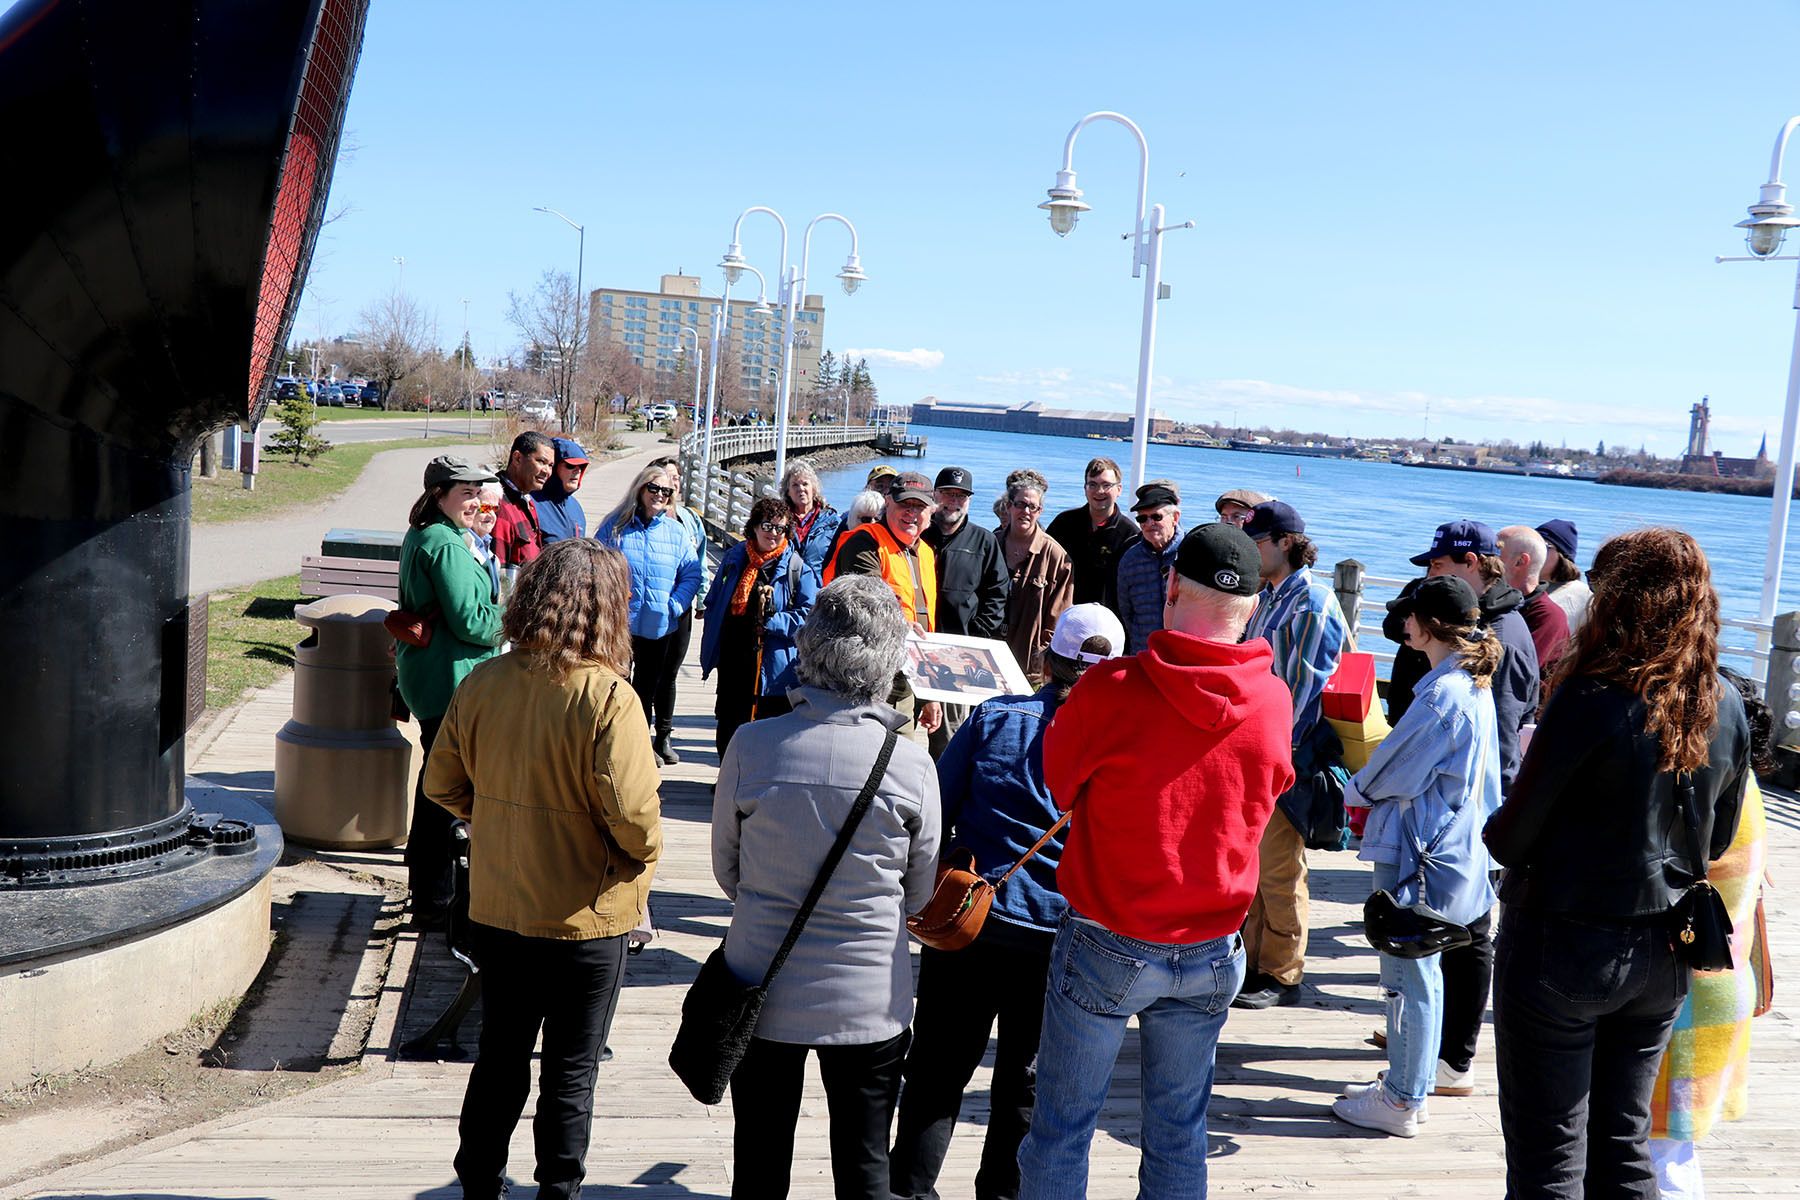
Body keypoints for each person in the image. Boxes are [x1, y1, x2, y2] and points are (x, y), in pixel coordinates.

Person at [1017, 524, 1295, 1200]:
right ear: (1253, 606)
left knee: (1061, 1132)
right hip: (1213, 947)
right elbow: (1269, 792)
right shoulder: (1274, 701)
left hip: (1108, 937)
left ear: (1170, 587)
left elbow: (1056, 783)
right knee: (1178, 1135)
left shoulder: (1110, 688)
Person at [1485, 528, 1750, 1199]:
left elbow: (1510, 840)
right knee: (1623, 1148)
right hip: (1665, 951)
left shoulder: (1592, 697)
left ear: (1616, 600)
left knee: (1550, 1161)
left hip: (1564, 943)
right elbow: (1716, 842)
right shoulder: (1724, 703)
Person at [424, 539, 662, 1200]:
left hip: (501, 907)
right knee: (571, 1069)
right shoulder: (609, 697)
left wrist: (497, 818)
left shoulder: (484, 682)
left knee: (499, 1057)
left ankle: (479, 1183)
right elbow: (636, 820)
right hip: (588, 916)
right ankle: (559, 1189)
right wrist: (636, 857)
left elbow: (441, 783)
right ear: (607, 610)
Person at [713, 576, 941, 1200]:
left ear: (809, 646)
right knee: (866, 1170)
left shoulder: (751, 744)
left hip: (760, 985)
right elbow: (919, 894)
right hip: (868, 997)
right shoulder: (911, 764)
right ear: (889, 661)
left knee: (759, 1167)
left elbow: (728, 872)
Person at [890, 604, 1126, 1200]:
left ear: (1048, 658)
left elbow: (935, 810)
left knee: (937, 1070)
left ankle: (909, 1190)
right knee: (1025, 1083)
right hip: (1064, 934)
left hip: (972, 920)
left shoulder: (995, 718)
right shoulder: (1123, 746)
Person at [1332, 576, 1502, 1137]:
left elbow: (1392, 771)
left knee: (1408, 973)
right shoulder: (1471, 682)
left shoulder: (1442, 694)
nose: (1403, 623)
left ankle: (1403, 1100)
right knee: (1421, 971)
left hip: (1421, 853)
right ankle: (1410, 1084)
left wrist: (1354, 789)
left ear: (1430, 626)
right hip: (1454, 846)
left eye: (1411, 615)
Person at [1380, 518, 1539, 1089]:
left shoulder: (1500, 633)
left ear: (1473, 564)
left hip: (1473, 809)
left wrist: (1482, 815)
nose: (1430, 574)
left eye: (1439, 565)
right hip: (1465, 804)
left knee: (1468, 934)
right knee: (1457, 931)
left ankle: (1451, 1058)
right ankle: (1433, 1044)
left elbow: (1497, 738)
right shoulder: (1486, 624)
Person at [1647, 668, 1771, 1199]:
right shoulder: (1749, 791)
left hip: (1690, 992)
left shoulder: (1713, 796)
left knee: (1661, 1157)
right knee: (1674, 1153)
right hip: (1725, 979)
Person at [1235, 500, 1349, 1010]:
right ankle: (1255, 963)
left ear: (1285, 543)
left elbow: (1303, 691)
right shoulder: (1269, 597)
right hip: (1261, 747)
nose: (1250, 551)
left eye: (1257, 542)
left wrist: (1273, 753)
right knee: (1256, 865)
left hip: (1287, 752)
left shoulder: (1311, 602)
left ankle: (1282, 973)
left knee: (1280, 867)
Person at [396, 455, 506, 928]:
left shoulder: (427, 532)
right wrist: (519, 617)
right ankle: (435, 899)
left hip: (433, 674)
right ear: (438, 495)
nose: (476, 501)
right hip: (449, 678)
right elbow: (472, 622)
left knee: (435, 783)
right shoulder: (443, 543)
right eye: (466, 493)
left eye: (478, 492)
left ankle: (427, 889)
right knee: (444, 789)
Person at [594, 463, 703, 765]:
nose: (659, 495)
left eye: (666, 491)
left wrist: (675, 605)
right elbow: (596, 566)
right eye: (653, 488)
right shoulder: (615, 526)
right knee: (615, 683)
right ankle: (610, 742)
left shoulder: (676, 531)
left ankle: (642, 745)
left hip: (658, 625)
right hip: (618, 624)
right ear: (640, 489)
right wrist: (608, 601)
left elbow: (692, 574)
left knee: (646, 688)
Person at [824, 471, 945, 739]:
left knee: (898, 758)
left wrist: (929, 694)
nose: (911, 512)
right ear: (887, 502)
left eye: (919, 506)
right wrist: (902, 625)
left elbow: (926, 622)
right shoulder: (864, 542)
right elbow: (868, 602)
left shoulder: (926, 553)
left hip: (906, 684)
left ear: (931, 511)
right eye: (904, 504)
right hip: (862, 684)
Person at [699, 497, 819, 756]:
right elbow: (714, 600)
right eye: (767, 526)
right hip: (733, 659)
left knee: (769, 731)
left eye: (780, 528)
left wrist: (772, 621)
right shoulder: (734, 558)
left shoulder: (798, 569)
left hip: (773, 667)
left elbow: (810, 617)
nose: (773, 533)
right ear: (754, 526)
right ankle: (728, 774)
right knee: (729, 725)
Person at [922, 465, 1009, 755]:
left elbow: (998, 592)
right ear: (935, 495)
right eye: (947, 493)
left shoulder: (984, 540)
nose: (953, 501)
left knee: (949, 737)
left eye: (961, 496)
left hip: (958, 654)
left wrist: (975, 634)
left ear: (969, 501)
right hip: (916, 645)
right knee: (905, 726)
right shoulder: (918, 533)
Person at [997, 475, 1074, 686]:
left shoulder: (1056, 557)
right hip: (988, 659)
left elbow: (1059, 619)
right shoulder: (991, 545)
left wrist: (1042, 658)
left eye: (1033, 507)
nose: (1026, 511)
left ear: (1040, 511)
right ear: (1009, 506)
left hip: (1028, 669)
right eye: (1020, 504)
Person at [1043, 456, 1137, 612]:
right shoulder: (1064, 523)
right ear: (1085, 488)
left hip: (1107, 619)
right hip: (1062, 614)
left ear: (1119, 489)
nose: (1099, 491)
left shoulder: (1130, 535)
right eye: (1092, 484)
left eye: (1106, 485)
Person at [1115, 481, 1184, 653]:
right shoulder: (1130, 560)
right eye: (1142, 518)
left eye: (1156, 517)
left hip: (1183, 654)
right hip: (1143, 652)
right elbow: (1126, 611)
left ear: (1175, 518)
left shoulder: (1192, 553)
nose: (1149, 523)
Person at [1498, 524, 1569, 681]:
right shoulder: (1501, 605)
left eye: (1497, 552)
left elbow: (1518, 673)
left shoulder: (1548, 615)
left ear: (1520, 561)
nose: (1488, 560)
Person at [492, 430, 555, 567]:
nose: (547, 471)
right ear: (517, 459)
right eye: (541, 461)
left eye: (550, 465)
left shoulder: (527, 500)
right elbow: (496, 571)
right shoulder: (495, 504)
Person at [782, 459, 843, 574]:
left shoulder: (832, 521)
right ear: (788, 491)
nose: (801, 489)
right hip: (784, 581)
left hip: (818, 582)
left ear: (813, 488)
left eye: (805, 484)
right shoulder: (780, 520)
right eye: (795, 485)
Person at [1536, 518, 1591, 633]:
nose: (1536, 551)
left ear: (1562, 555)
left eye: (1544, 546)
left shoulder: (1584, 597)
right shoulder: (1521, 587)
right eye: (1533, 545)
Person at [532, 437, 589, 545]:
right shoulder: (532, 504)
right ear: (553, 467)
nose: (577, 471)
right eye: (570, 465)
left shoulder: (575, 507)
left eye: (581, 466)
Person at [465, 480, 504, 602]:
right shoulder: (462, 544)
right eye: (485, 508)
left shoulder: (489, 551)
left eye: (495, 508)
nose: (491, 515)